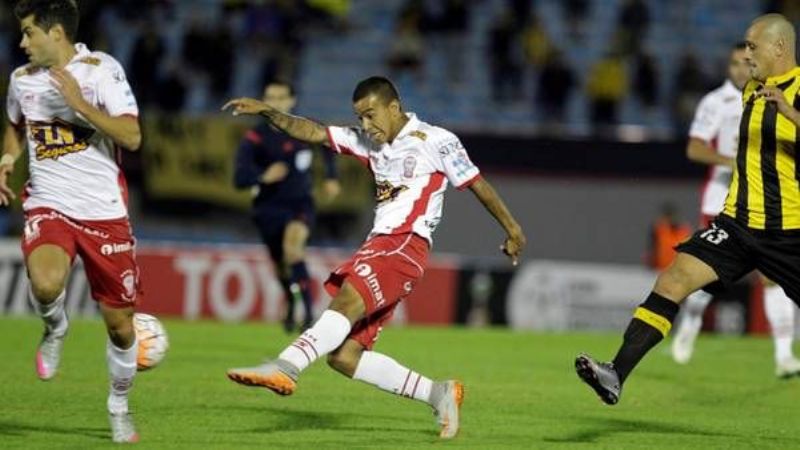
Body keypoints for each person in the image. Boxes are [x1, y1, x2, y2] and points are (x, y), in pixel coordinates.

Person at [222, 76, 526, 439]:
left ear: (394, 107)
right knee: (344, 357)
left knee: (347, 299)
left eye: (370, 115)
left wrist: (513, 230)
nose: (366, 125)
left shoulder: (436, 141)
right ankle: (437, 392)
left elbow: (478, 184)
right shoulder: (369, 142)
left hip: (404, 244)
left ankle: (287, 365)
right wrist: (270, 112)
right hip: (380, 244)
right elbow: (314, 132)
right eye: (360, 117)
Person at [575, 13, 800, 405]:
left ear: (779, 47)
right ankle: (615, 373)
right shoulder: (751, 89)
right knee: (673, 279)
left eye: (753, 46)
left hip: (790, 231)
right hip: (738, 225)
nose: (746, 55)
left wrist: (789, 112)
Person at [0, 0, 143, 442]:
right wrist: (6, 158)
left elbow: (132, 137)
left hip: (104, 215)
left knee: (121, 328)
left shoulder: (101, 70)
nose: (22, 43)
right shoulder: (21, 80)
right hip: (49, 204)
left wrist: (79, 105)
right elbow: (14, 125)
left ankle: (118, 405)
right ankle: (55, 326)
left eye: (28, 33)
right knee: (45, 284)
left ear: (56, 33)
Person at [671, 42, 800, 376]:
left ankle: (784, 354)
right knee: (704, 275)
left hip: (766, 200)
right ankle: (691, 322)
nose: (741, 70)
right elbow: (694, 148)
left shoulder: (775, 94)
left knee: (772, 278)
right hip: (722, 199)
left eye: (746, 63)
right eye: (734, 64)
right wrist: (732, 161)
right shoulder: (717, 102)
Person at [233, 81, 340, 333]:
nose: (276, 103)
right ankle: (291, 301)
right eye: (270, 97)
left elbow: (329, 146)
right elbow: (239, 178)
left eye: (281, 98)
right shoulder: (255, 137)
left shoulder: (303, 129)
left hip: (300, 203)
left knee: (293, 250)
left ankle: (310, 315)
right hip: (267, 208)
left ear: (291, 101)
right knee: (281, 264)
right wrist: (262, 177)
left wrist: (332, 177)